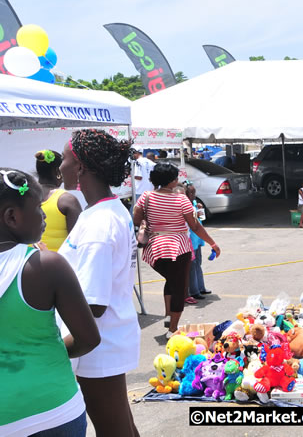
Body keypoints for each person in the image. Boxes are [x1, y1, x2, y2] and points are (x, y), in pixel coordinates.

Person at [0, 168, 100, 437]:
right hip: (53, 412)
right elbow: (89, 338)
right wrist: (45, 353)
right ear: (11, 217)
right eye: (37, 208)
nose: (45, 215)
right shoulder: (46, 265)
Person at [58, 128, 141, 435]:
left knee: (114, 431)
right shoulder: (103, 211)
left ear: (80, 166)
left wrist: (54, 348)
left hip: (97, 345)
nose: (61, 167)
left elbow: (93, 304)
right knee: (122, 428)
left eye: (65, 159)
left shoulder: (100, 223)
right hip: (104, 341)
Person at [133, 162, 221, 336]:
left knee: (172, 281)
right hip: (178, 248)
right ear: (173, 181)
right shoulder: (181, 199)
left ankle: (168, 316)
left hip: (155, 249)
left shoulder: (146, 197)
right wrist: (212, 243)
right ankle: (172, 329)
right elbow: (195, 226)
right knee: (180, 287)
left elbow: (137, 219)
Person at [35, 149, 82, 251]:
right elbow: (78, 242)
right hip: (59, 265)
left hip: (29, 263)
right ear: (58, 172)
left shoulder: (26, 196)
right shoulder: (67, 200)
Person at [184, 182, 212, 301]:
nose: (194, 195)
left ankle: (200, 287)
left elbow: (201, 219)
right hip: (191, 239)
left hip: (198, 238)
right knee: (193, 265)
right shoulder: (185, 206)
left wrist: (201, 210)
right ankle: (194, 290)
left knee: (198, 263)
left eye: (195, 193)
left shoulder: (194, 203)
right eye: (192, 193)